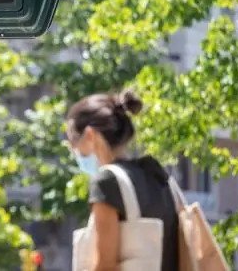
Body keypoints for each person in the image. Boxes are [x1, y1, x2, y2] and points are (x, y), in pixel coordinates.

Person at [66, 90, 179, 271]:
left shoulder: (107, 182)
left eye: (73, 144)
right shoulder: (159, 176)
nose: (75, 153)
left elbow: (105, 266)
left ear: (90, 135)